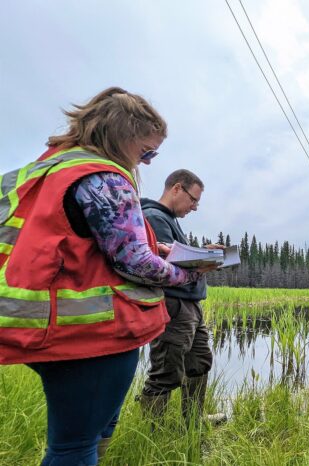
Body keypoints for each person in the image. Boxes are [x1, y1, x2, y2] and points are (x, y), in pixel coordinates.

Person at [0, 87, 214, 465]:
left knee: (77, 437)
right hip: (88, 333)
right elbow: (135, 262)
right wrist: (187, 275)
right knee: (75, 446)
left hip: (40, 322)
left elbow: (72, 240)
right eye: (146, 150)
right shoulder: (104, 177)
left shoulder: (43, 170)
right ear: (122, 135)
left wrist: (158, 251)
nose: (146, 161)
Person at [139, 169, 225, 425]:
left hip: (190, 306)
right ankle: (152, 433)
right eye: (193, 200)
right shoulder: (154, 217)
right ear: (177, 188)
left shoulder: (169, 219)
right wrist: (204, 258)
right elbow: (164, 263)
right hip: (173, 305)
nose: (195, 207)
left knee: (199, 362)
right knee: (166, 371)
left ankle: (194, 421)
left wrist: (204, 252)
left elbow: (178, 255)